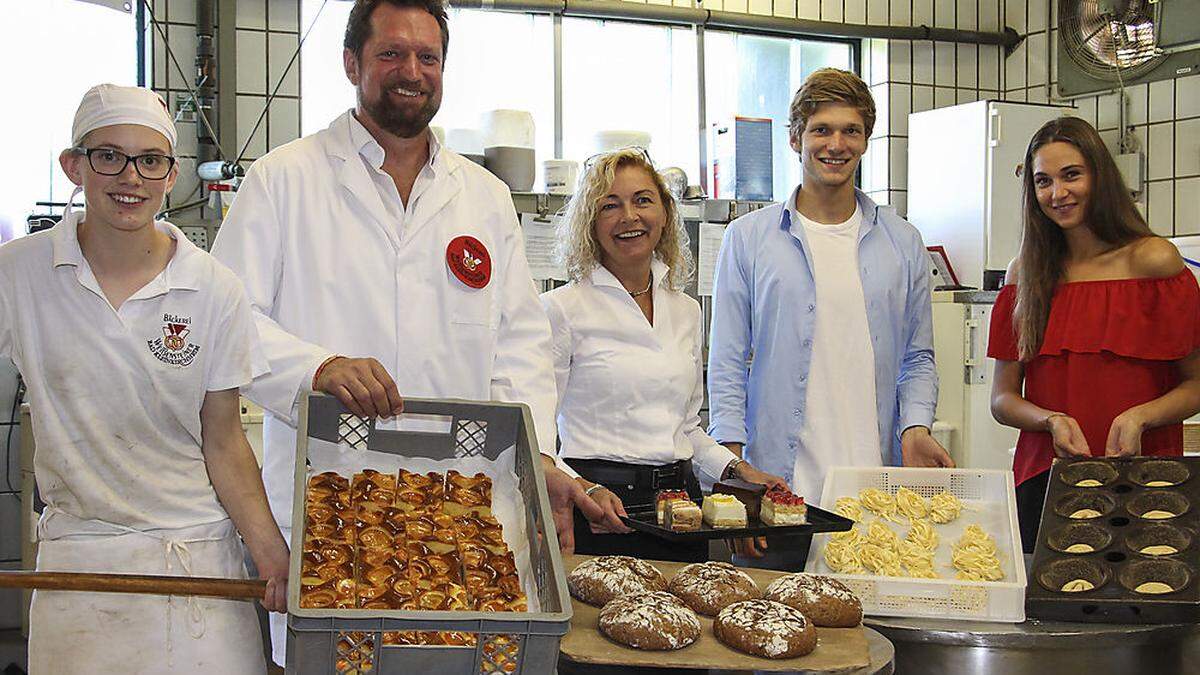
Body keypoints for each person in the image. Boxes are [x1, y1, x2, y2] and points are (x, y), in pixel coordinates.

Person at [209, 0, 608, 664]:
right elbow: (228, 320)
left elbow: (519, 347)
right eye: (391, 53)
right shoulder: (284, 180)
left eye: (428, 57)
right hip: (330, 503)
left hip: (463, 518)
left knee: (453, 655)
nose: (411, 71)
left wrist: (536, 457)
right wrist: (318, 366)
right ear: (351, 63)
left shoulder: (481, 196)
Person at [0, 84, 288, 673]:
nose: (129, 176)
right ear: (73, 166)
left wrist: (272, 555)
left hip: (197, 558)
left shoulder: (214, 288)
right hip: (80, 559)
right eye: (109, 155)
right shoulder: (19, 274)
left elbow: (224, 439)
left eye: (149, 160)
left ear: (170, 174)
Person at [707, 68, 952, 571]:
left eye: (850, 131)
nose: (836, 144)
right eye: (821, 130)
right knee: (771, 631)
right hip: (777, 491)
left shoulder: (903, 241)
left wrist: (916, 428)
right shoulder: (749, 238)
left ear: (865, 140)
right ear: (796, 138)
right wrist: (731, 473)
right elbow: (727, 363)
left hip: (874, 491)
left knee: (871, 640)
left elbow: (918, 356)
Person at [542, 148, 787, 564]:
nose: (629, 217)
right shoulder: (561, 309)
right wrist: (582, 488)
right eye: (609, 205)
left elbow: (687, 429)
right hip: (599, 508)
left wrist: (739, 472)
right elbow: (538, 433)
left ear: (666, 213)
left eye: (642, 200)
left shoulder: (685, 310)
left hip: (680, 509)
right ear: (590, 222)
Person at [988, 116, 1200, 552]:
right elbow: (1002, 399)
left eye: (1071, 175)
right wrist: (1050, 420)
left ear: (1099, 176)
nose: (1057, 193)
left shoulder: (1155, 262)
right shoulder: (1024, 275)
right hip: (1046, 480)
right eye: (1043, 181)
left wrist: (1142, 415)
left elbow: (1196, 384)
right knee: (1044, 612)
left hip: (1145, 480)